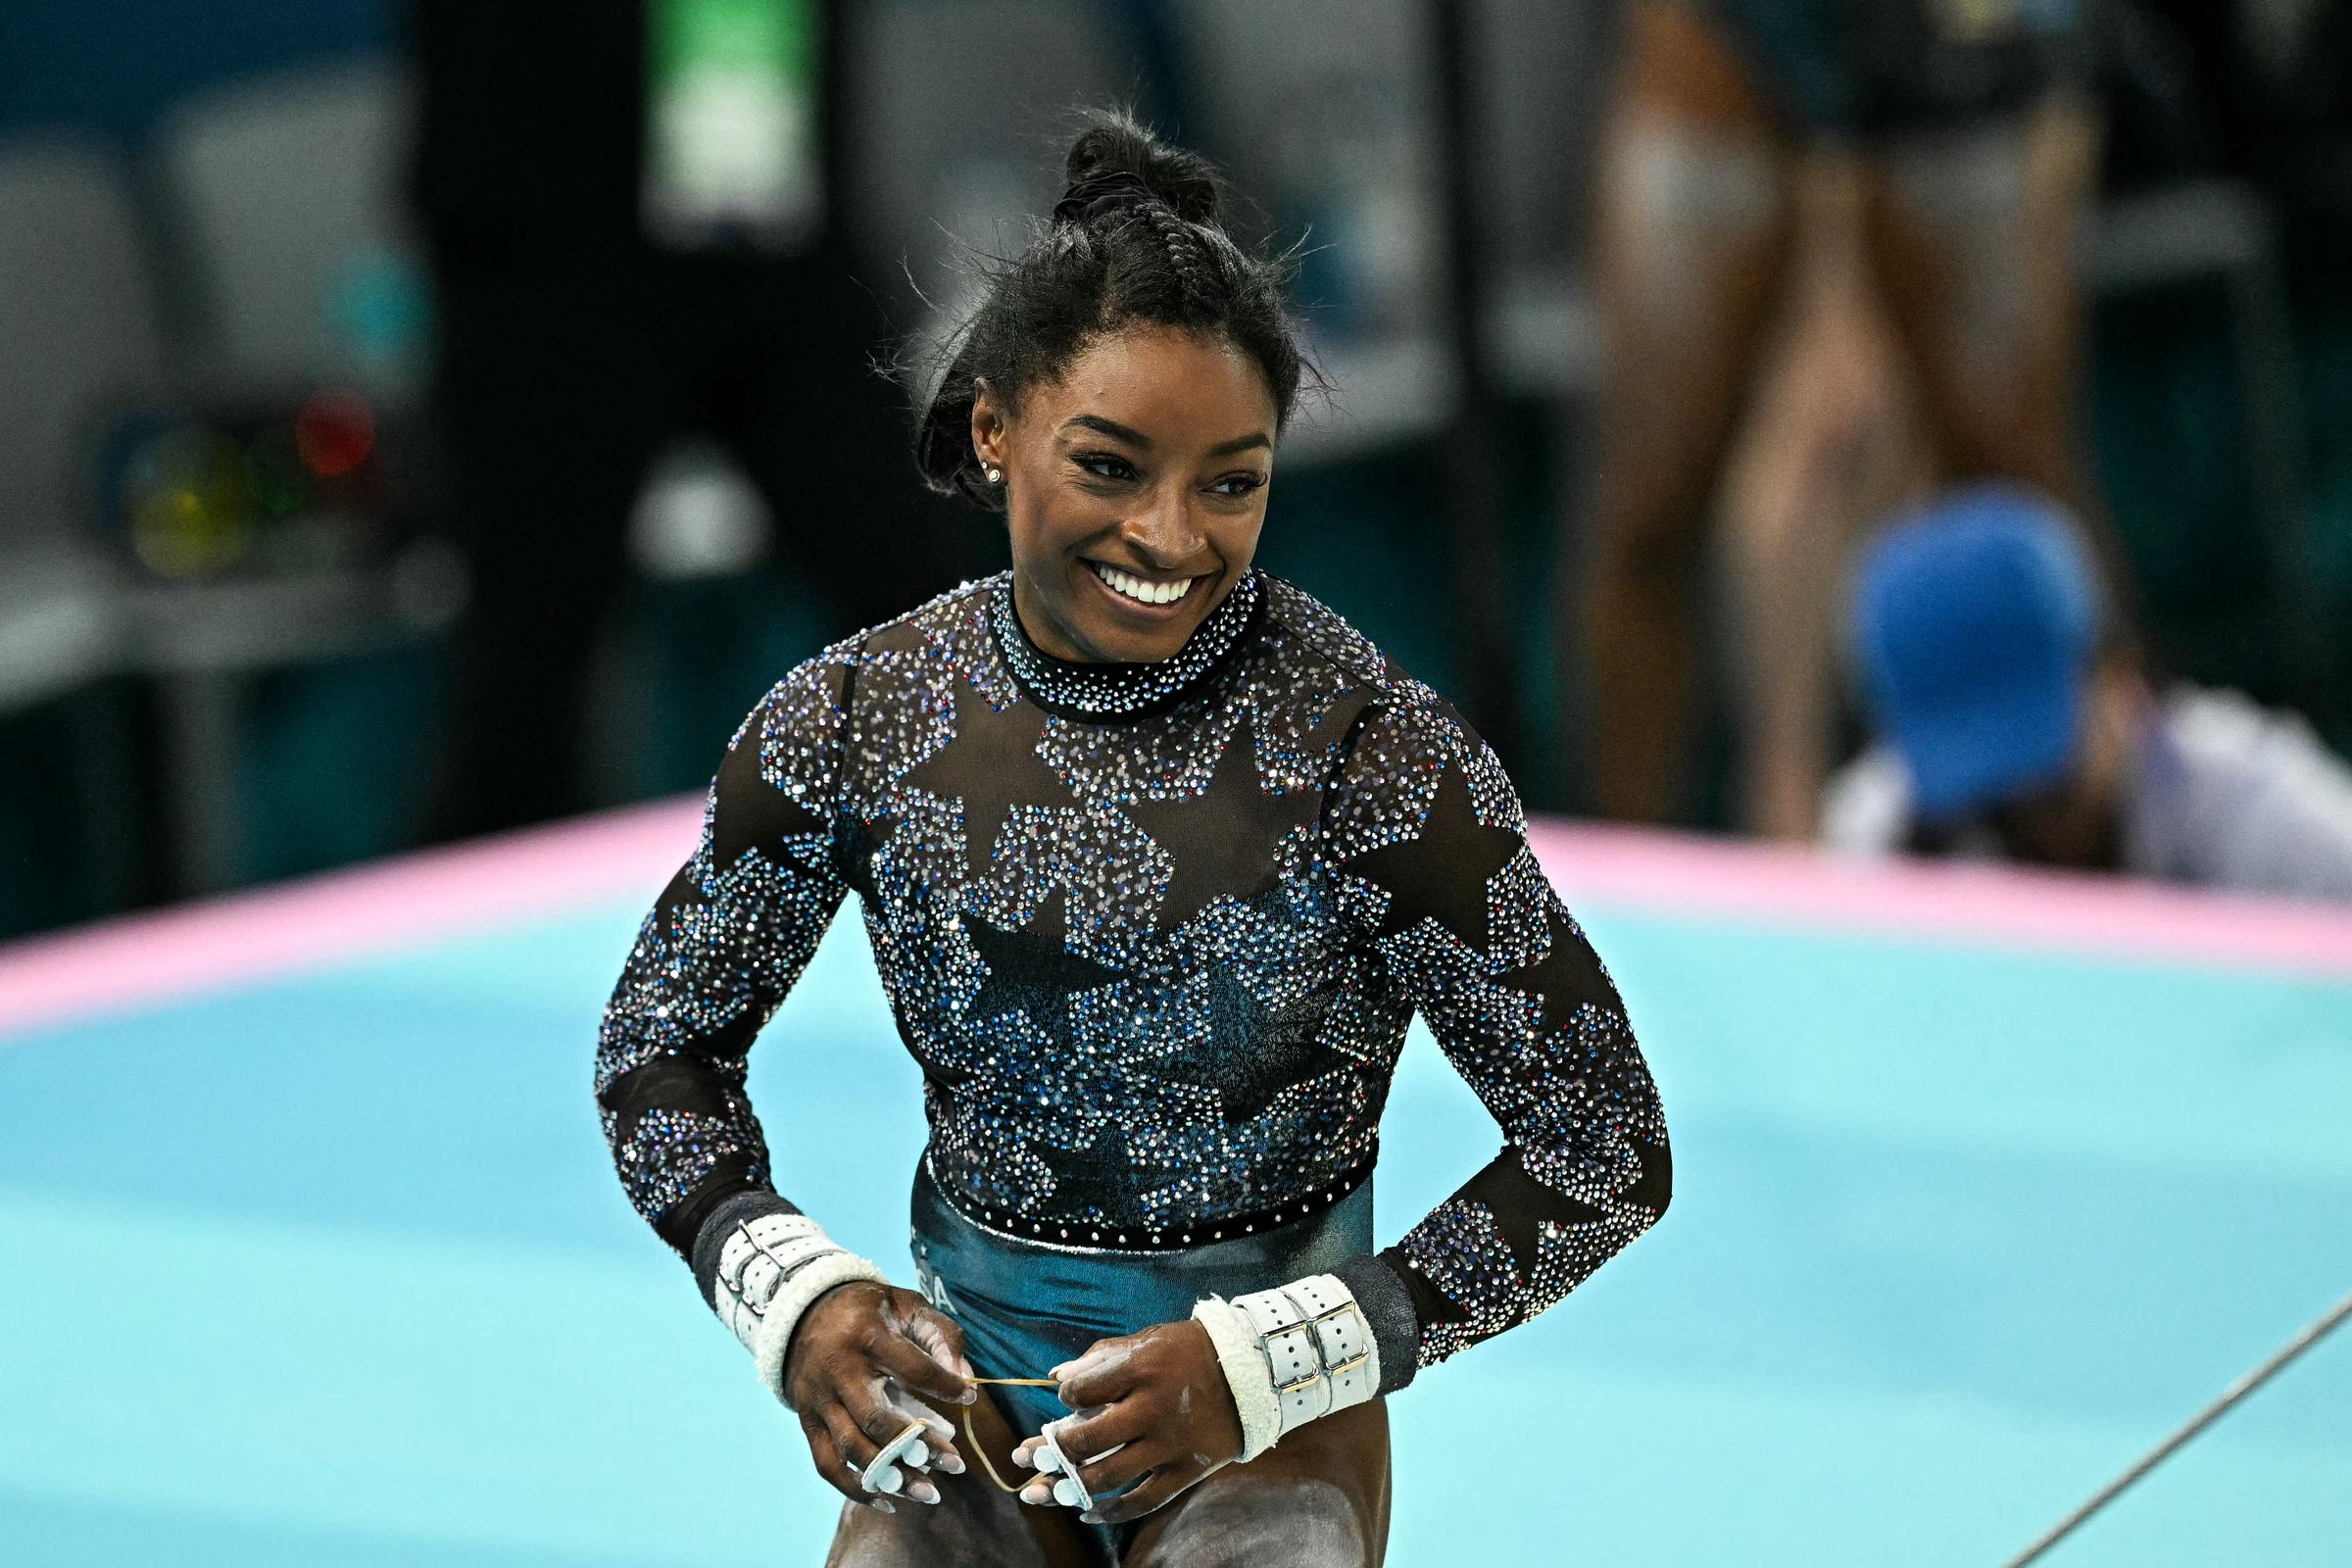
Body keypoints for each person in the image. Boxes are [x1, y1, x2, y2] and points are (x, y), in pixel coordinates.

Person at [593, 116, 1673, 1566]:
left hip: (1269, 1449)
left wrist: (1274, 1363)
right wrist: (798, 1303)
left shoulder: (1371, 760)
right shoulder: (853, 720)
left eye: (1233, 480)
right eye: (1111, 467)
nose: (1173, 537)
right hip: (967, 1429)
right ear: (994, 430)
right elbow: (658, 1044)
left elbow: (1607, 1146)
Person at [410, 0, 982, 842]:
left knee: (920, 600)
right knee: (524, 681)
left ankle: (1049, 905)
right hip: (551, 250)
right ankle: (463, 947)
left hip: (774, 223)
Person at [1576, 0, 2107, 829]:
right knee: (1652, 505)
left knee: (2015, 486)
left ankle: (2097, 866)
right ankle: (1601, 910)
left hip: (1967, 47)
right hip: (1732, 29)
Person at [1823, 485, 2352, 901]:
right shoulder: (1882, 836)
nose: (2022, 809)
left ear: (2120, 680)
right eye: (1982, 800)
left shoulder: (2258, 815)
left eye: (2048, 780)